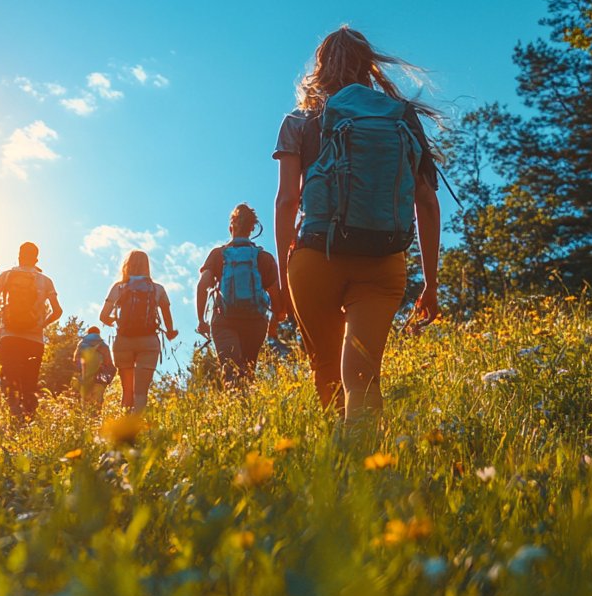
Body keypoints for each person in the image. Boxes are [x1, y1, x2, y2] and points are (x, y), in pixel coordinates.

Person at [273, 26, 442, 420]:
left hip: (316, 257)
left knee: (326, 366)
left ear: (320, 67)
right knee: (364, 376)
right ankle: (364, 449)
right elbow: (427, 202)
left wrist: (282, 280)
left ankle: (339, 453)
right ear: (369, 66)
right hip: (383, 259)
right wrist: (431, 283)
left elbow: (287, 201)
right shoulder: (401, 117)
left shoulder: (300, 121)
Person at [196, 203, 281, 384]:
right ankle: (247, 400)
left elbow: (202, 285)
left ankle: (234, 397)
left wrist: (201, 320)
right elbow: (275, 293)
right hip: (255, 321)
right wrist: (275, 321)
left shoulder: (218, 255)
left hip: (224, 320)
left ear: (231, 227)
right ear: (252, 229)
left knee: (231, 373)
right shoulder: (264, 258)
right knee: (248, 373)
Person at [0, 242, 61, 418]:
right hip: (34, 340)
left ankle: (15, 418)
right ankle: (29, 419)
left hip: (10, 337)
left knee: (12, 381)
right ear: (36, 259)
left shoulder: (7, 276)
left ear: (19, 256)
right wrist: (42, 325)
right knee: (29, 384)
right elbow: (57, 311)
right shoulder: (46, 281)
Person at [99, 250, 178, 411]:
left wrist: (116, 320)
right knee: (141, 393)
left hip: (123, 341)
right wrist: (170, 332)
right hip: (148, 342)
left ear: (127, 265)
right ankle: (137, 424)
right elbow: (167, 317)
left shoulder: (119, 287)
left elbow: (103, 316)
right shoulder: (157, 289)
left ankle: (125, 424)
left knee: (127, 392)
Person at [74, 326, 116, 412]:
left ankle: (84, 419)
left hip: (85, 379)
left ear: (88, 333)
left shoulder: (81, 344)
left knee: (84, 404)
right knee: (97, 405)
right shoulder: (103, 345)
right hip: (99, 378)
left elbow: (76, 361)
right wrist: (109, 377)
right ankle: (95, 418)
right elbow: (109, 364)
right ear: (98, 334)